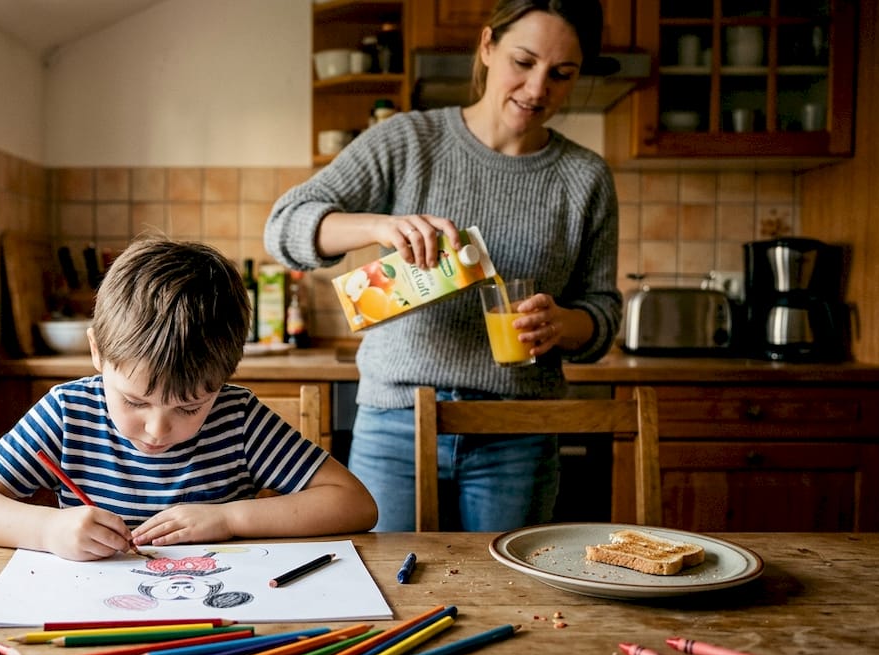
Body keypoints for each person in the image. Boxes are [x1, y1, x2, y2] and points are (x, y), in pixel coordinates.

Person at [264, 0, 620, 532]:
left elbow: (603, 309)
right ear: (486, 47)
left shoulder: (585, 176)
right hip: (396, 424)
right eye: (523, 62)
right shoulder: (407, 141)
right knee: (389, 590)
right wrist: (377, 227)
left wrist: (565, 325)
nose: (538, 88)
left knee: (511, 596)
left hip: (518, 429)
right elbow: (284, 228)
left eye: (561, 74)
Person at [0, 237, 378, 560]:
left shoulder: (238, 419)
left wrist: (229, 519)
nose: (157, 429)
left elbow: (355, 503)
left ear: (225, 377)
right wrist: (47, 528)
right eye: (134, 401)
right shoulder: (67, 413)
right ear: (98, 352)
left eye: (189, 408)